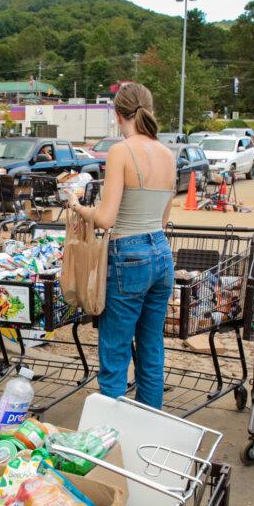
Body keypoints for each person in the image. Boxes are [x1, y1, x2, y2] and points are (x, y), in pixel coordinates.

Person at [65, 82, 174, 408]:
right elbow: (164, 218)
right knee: (151, 349)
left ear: (117, 114)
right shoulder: (168, 154)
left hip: (128, 255)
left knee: (115, 349)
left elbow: (106, 218)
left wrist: (77, 206)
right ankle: (148, 424)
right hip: (161, 253)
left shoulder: (121, 152)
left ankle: (113, 435)